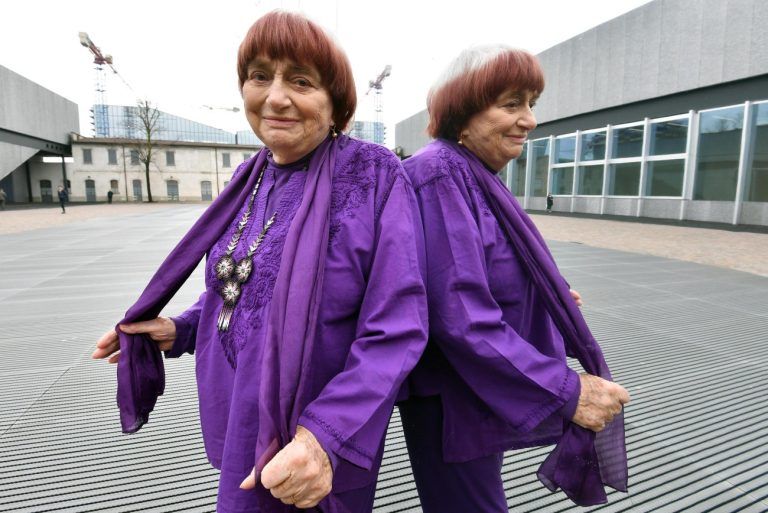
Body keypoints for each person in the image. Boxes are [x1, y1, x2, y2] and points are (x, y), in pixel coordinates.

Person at [92, 11, 427, 513]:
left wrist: (324, 436)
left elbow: (397, 326)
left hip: (313, 439)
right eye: (260, 76)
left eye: (301, 81)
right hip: (238, 419)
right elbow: (239, 285)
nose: (275, 97)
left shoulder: (373, 174)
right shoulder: (248, 177)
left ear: (336, 100)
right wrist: (180, 329)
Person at [398, 46, 630, 512]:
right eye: (511, 104)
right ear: (462, 112)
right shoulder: (440, 174)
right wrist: (568, 390)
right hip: (456, 401)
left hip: (479, 390)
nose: (530, 120)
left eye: (531, 104)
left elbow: (479, 269)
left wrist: (541, 295)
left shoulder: (471, 171)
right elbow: (460, 313)